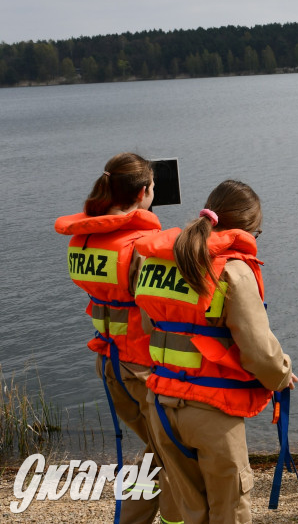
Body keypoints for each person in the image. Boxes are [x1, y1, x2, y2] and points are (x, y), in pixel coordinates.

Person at [134, 180, 296, 524]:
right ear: (250, 228)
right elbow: (258, 352)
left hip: (160, 407)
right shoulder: (233, 270)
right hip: (211, 411)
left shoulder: (156, 262)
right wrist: (282, 375)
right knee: (229, 510)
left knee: (193, 510)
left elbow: (150, 327)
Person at [54, 153, 183, 524]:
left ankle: (130, 519)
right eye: (153, 189)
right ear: (144, 191)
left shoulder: (82, 241)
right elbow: (157, 313)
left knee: (157, 451)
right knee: (173, 456)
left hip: (110, 364)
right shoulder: (144, 246)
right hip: (145, 369)